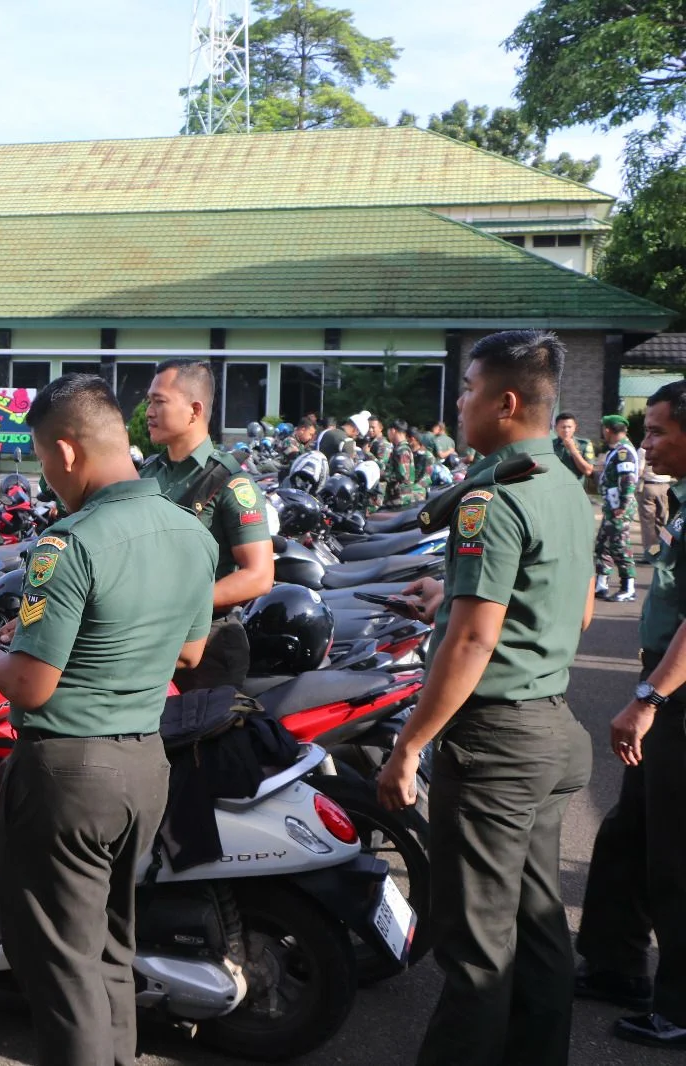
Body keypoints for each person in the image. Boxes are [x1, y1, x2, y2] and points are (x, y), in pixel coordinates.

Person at [0, 373, 215, 1066]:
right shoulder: (191, 531)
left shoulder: (66, 545)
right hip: (146, 764)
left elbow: (32, 685)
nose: (44, 475)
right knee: (109, 950)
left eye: (41, 459)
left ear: (65, 452)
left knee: (62, 972)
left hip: (68, 773)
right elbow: (190, 652)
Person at [377, 330, 595, 1066]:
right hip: (553, 731)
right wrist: (451, 594)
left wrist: (409, 745)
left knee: (477, 951)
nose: (459, 399)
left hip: (496, 743)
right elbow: (575, 606)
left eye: (468, 387)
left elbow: (470, 645)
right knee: (538, 933)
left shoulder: (491, 501)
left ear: (506, 402)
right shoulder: (564, 481)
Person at [574, 380, 686, 1049]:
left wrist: (648, 698)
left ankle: (678, 1006)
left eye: (660, 432)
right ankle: (616, 966)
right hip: (663, 680)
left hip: (673, 692)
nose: (648, 444)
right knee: (629, 833)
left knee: (675, 852)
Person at [140, 358, 273, 689]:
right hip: (147, 638)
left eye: (159, 402)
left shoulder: (230, 483)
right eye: (148, 402)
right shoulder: (146, 474)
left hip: (210, 645)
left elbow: (258, 576)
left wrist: (187, 601)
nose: (148, 412)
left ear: (194, 410)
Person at [596, 413, 641, 602]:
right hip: (612, 506)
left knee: (619, 546)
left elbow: (628, 479)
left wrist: (623, 505)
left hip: (619, 507)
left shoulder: (624, 452)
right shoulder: (618, 449)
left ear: (608, 430)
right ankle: (601, 583)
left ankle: (628, 587)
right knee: (603, 544)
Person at [640, 448, 675, 561]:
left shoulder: (643, 449)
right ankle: (664, 551)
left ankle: (651, 554)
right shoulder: (667, 447)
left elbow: (639, 471)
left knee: (648, 524)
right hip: (665, 486)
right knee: (663, 522)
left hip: (650, 486)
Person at [383, 420, 424, 508]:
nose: (388, 434)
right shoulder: (400, 449)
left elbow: (404, 476)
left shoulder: (402, 450)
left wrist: (384, 475)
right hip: (397, 496)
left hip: (400, 498)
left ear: (393, 430)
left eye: (388, 431)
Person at [552, 411, 596, 482]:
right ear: (556, 428)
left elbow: (588, 471)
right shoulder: (550, 445)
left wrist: (573, 449)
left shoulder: (584, 444)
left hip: (576, 488)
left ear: (575, 427)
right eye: (563, 427)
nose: (566, 430)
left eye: (569, 427)